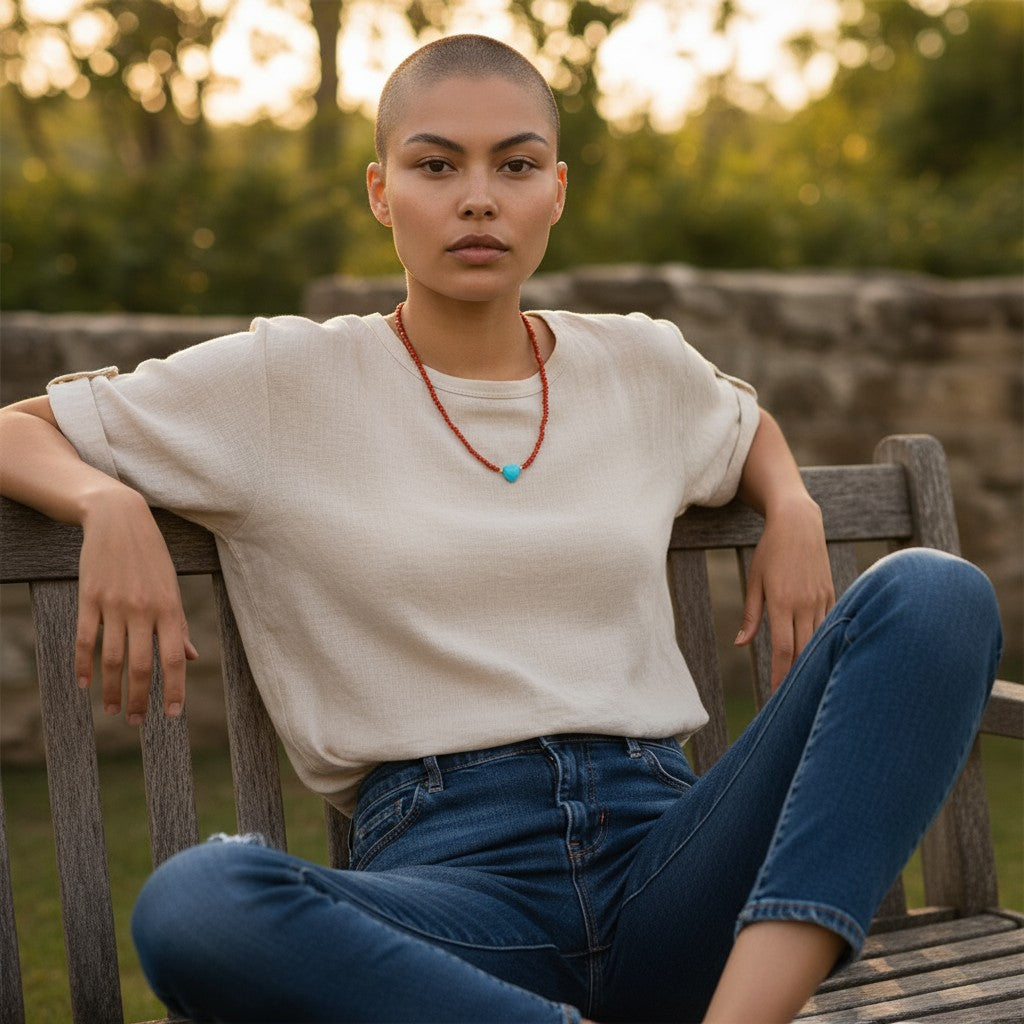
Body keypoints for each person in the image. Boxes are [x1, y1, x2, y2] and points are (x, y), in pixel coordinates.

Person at [0, 34, 1002, 1024]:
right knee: (197, 902)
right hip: (455, 899)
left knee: (936, 593)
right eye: (435, 165)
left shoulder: (638, 365)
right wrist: (106, 500)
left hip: (674, 869)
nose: (477, 197)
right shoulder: (279, 382)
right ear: (380, 191)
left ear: (554, 191)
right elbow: (15, 431)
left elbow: (743, 424)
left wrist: (788, 502)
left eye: (514, 165)